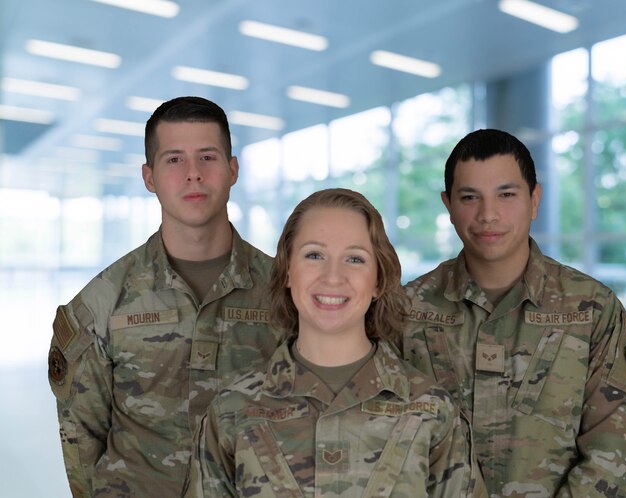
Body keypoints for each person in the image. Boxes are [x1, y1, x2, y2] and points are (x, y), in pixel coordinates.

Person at [47, 96, 285, 497]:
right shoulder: (102, 304)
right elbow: (81, 439)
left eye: (207, 157)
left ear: (232, 170)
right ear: (149, 176)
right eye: (174, 159)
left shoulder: (286, 291)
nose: (193, 174)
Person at [401, 129, 626, 497]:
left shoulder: (592, 310)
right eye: (470, 197)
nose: (488, 215)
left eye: (506, 195)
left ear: (534, 200)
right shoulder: (408, 310)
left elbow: (610, 454)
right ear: (449, 205)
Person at [184, 188, 477, 497]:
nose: (333, 277)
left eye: (354, 258)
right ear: (286, 270)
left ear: (378, 280)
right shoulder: (233, 411)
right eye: (314, 255)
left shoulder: (433, 410)